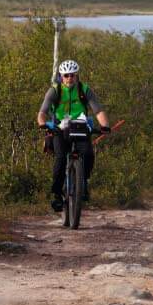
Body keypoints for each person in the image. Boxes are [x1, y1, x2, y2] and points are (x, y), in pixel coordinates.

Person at [37, 59, 110, 212]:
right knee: (61, 158)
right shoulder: (54, 90)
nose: (70, 78)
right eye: (66, 75)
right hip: (59, 129)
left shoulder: (84, 89)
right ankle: (57, 194)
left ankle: (83, 182)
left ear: (77, 76)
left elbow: (98, 110)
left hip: (80, 127)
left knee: (88, 154)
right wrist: (43, 124)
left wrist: (104, 126)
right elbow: (42, 112)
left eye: (73, 75)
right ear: (61, 76)